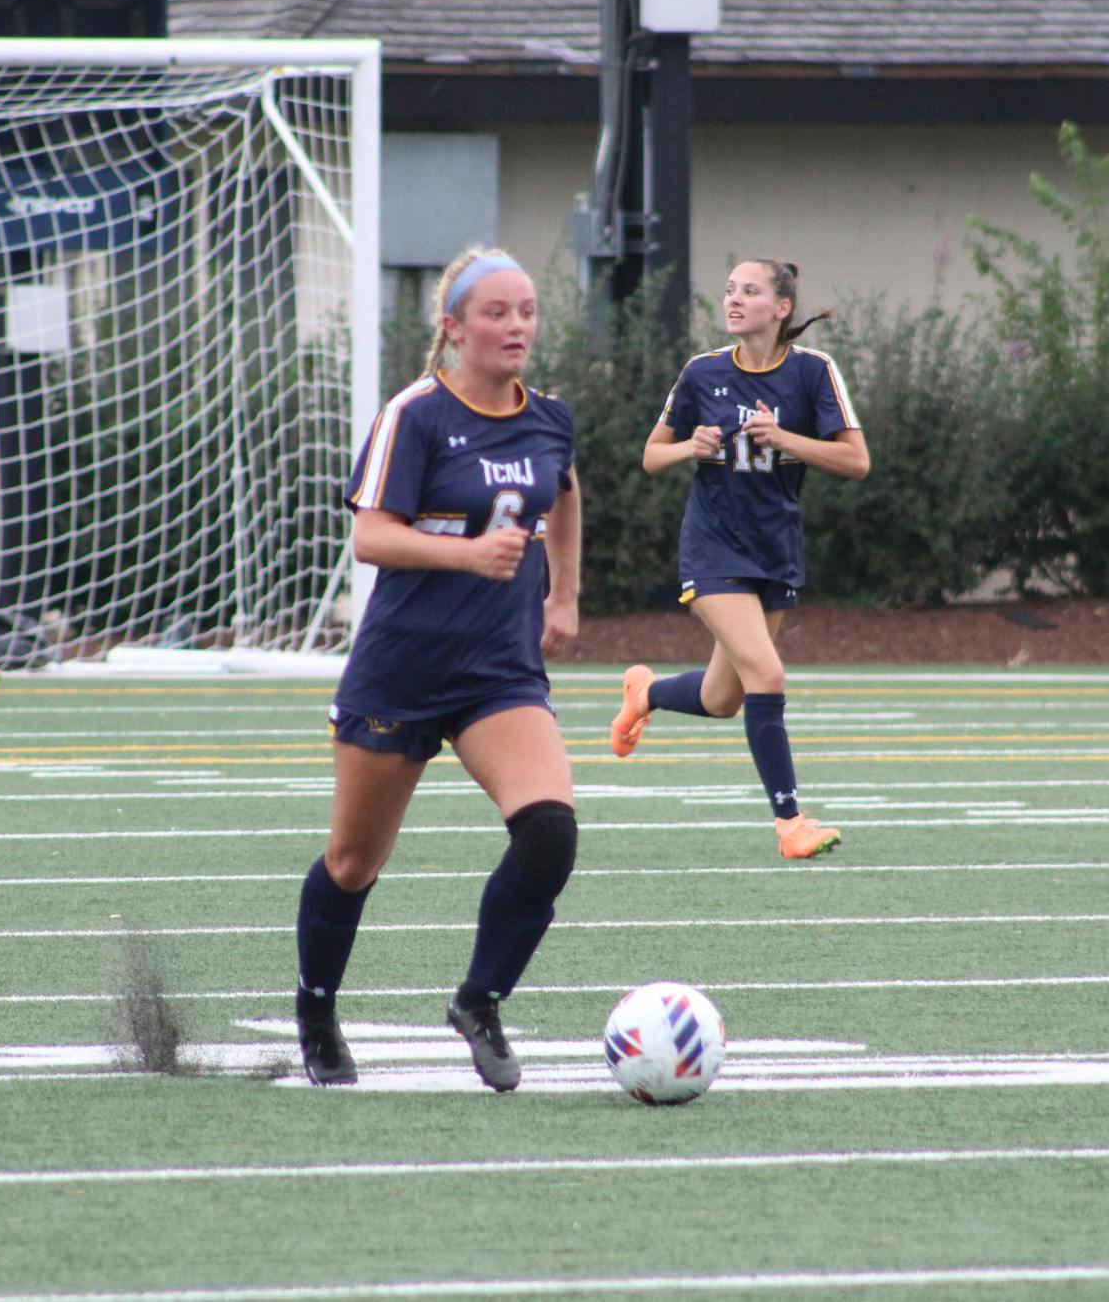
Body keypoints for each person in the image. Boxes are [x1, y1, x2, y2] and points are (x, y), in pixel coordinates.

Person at [293, 246, 583, 1090]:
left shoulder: (549, 416)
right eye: (496, 312)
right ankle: (315, 1006)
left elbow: (562, 492)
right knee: (354, 862)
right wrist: (467, 555)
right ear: (453, 327)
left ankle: (480, 999)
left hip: (499, 670)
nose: (517, 325)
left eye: (526, 309)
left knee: (550, 833)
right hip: (404, 668)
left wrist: (563, 594)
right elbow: (371, 535)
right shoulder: (416, 413)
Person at [610, 259, 870, 860]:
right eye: (729, 290)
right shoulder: (702, 373)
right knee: (769, 676)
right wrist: (687, 448)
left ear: (781, 308)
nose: (734, 299)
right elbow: (652, 457)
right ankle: (790, 823)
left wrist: (785, 440)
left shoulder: (812, 372)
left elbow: (856, 462)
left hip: (774, 550)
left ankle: (645, 692)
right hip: (713, 549)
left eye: (749, 291)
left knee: (724, 699)